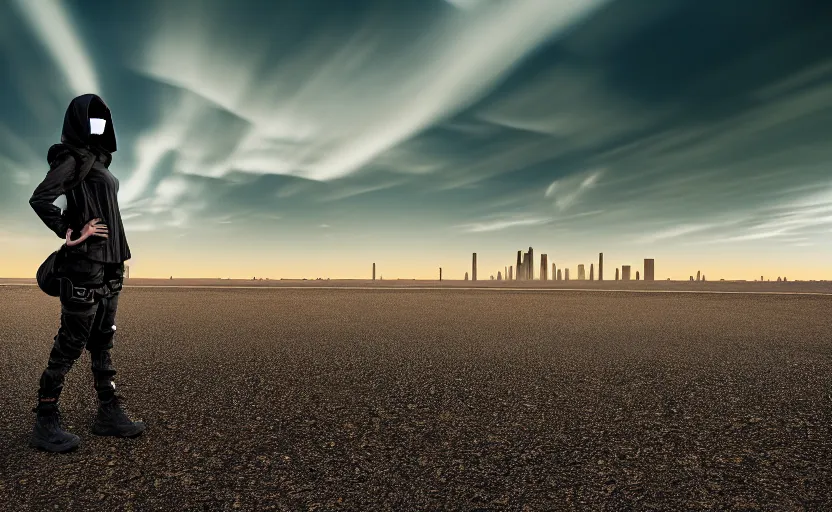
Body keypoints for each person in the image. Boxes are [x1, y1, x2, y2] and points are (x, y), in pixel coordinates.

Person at [28, 93, 145, 452]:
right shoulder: (73, 157)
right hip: (85, 265)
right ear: (78, 122)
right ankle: (45, 420)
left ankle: (108, 412)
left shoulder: (100, 162)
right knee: (71, 343)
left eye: (103, 120)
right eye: (92, 120)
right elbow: (41, 198)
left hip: (111, 263)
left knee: (102, 339)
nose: (99, 127)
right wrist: (72, 232)